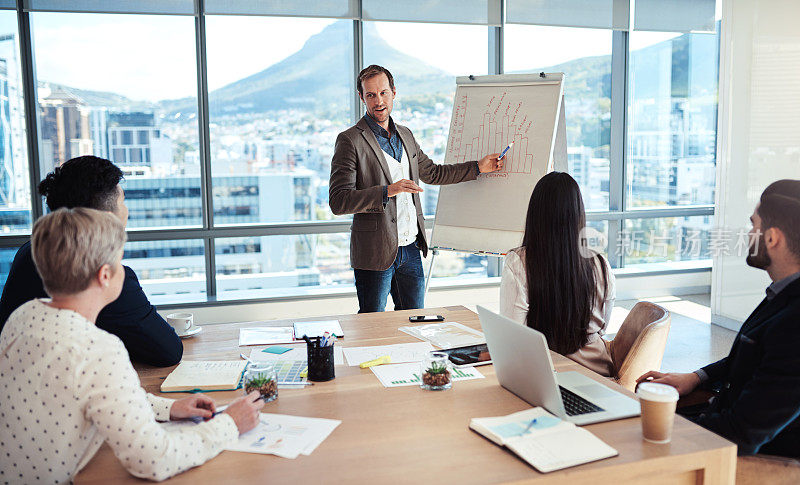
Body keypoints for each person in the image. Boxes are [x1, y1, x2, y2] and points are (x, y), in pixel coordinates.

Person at [0, 208, 265, 483]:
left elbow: (95, 393)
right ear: (105, 275)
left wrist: (169, 409)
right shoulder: (98, 350)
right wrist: (229, 424)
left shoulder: (24, 315)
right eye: (120, 260)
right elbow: (153, 460)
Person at [637, 180, 800, 457]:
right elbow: (755, 356)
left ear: (772, 238)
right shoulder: (784, 292)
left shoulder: (795, 322)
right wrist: (696, 377)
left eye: (753, 225)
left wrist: (658, 431)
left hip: (749, 463)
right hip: (719, 427)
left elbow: (742, 433)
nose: (749, 234)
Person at [330, 65, 503, 313]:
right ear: (362, 97)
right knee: (372, 325)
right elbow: (339, 201)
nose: (378, 101)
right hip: (374, 251)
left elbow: (433, 173)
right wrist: (387, 191)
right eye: (371, 95)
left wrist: (478, 167)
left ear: (393, 92)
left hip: (410, 248)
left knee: (414, 321)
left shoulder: (405, 135)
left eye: (383, 92)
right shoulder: (350, 140)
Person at [0, 156, 182, 367]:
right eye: (122, 202)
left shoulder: (30, 251)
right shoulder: (101, 273)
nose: (126, 211)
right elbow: (168, 350)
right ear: (106, 217)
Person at [499, 172, 616, 376]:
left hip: (545, 378)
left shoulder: (519, 262)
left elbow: (514, 338)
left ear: (535, 213)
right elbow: (602, 327)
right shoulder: (600, 263)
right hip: (599, 376)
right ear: (579, 214)